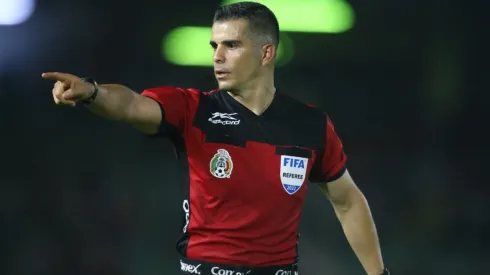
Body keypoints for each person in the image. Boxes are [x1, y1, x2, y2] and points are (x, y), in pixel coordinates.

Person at [41, 2, 390, 274]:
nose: (217, 56)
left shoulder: (310, 124)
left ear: (266, 53)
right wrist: (92, 93)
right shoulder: (193, 109)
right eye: (214, 45)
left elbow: (347, 201)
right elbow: (131, 104)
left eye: (232, 45)